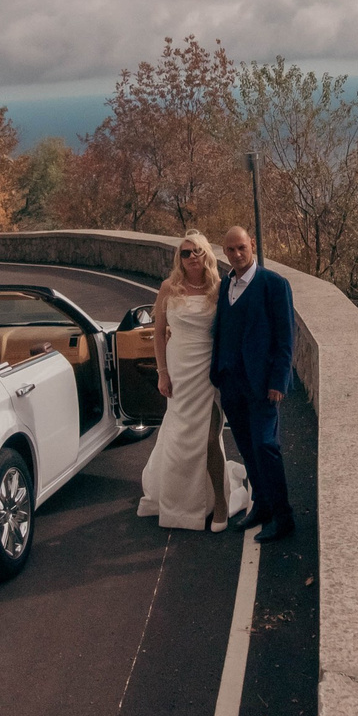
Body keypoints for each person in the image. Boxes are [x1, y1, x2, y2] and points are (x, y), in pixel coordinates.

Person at [137, 230, 231, 531]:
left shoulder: (219, 288)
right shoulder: (169, 287)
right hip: (178, 370)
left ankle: (220, 504)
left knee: (208, 437)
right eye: (185, 253)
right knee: (179, 439)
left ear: (207, 254)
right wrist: (162, 373)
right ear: (180, 258)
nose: (191, 257)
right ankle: (180, 503)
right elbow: (159, 334)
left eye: (196, 251)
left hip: (207, 371)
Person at [208, 225, 295, 541]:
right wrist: (217, 370)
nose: (236, 254)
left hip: (263, 385)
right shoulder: (225, 285)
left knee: (265, 446)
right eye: (230, 250)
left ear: (253, 245)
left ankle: (284, 517)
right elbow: (222, 331)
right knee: (246, 447)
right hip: (231, 383)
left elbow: (286, 338)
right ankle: (262, 505)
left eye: (241, 247)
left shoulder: (274, 284)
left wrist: (279, 381)